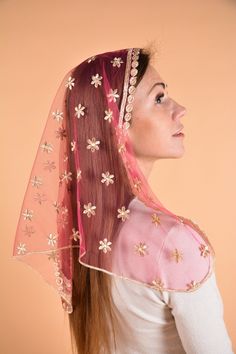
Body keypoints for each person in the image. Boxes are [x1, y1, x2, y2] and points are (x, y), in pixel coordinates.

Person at [12, 47, 234, 354]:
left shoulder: (87, 233)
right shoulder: (175, 241)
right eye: (159, 98)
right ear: (116, 125)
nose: (179, 109)